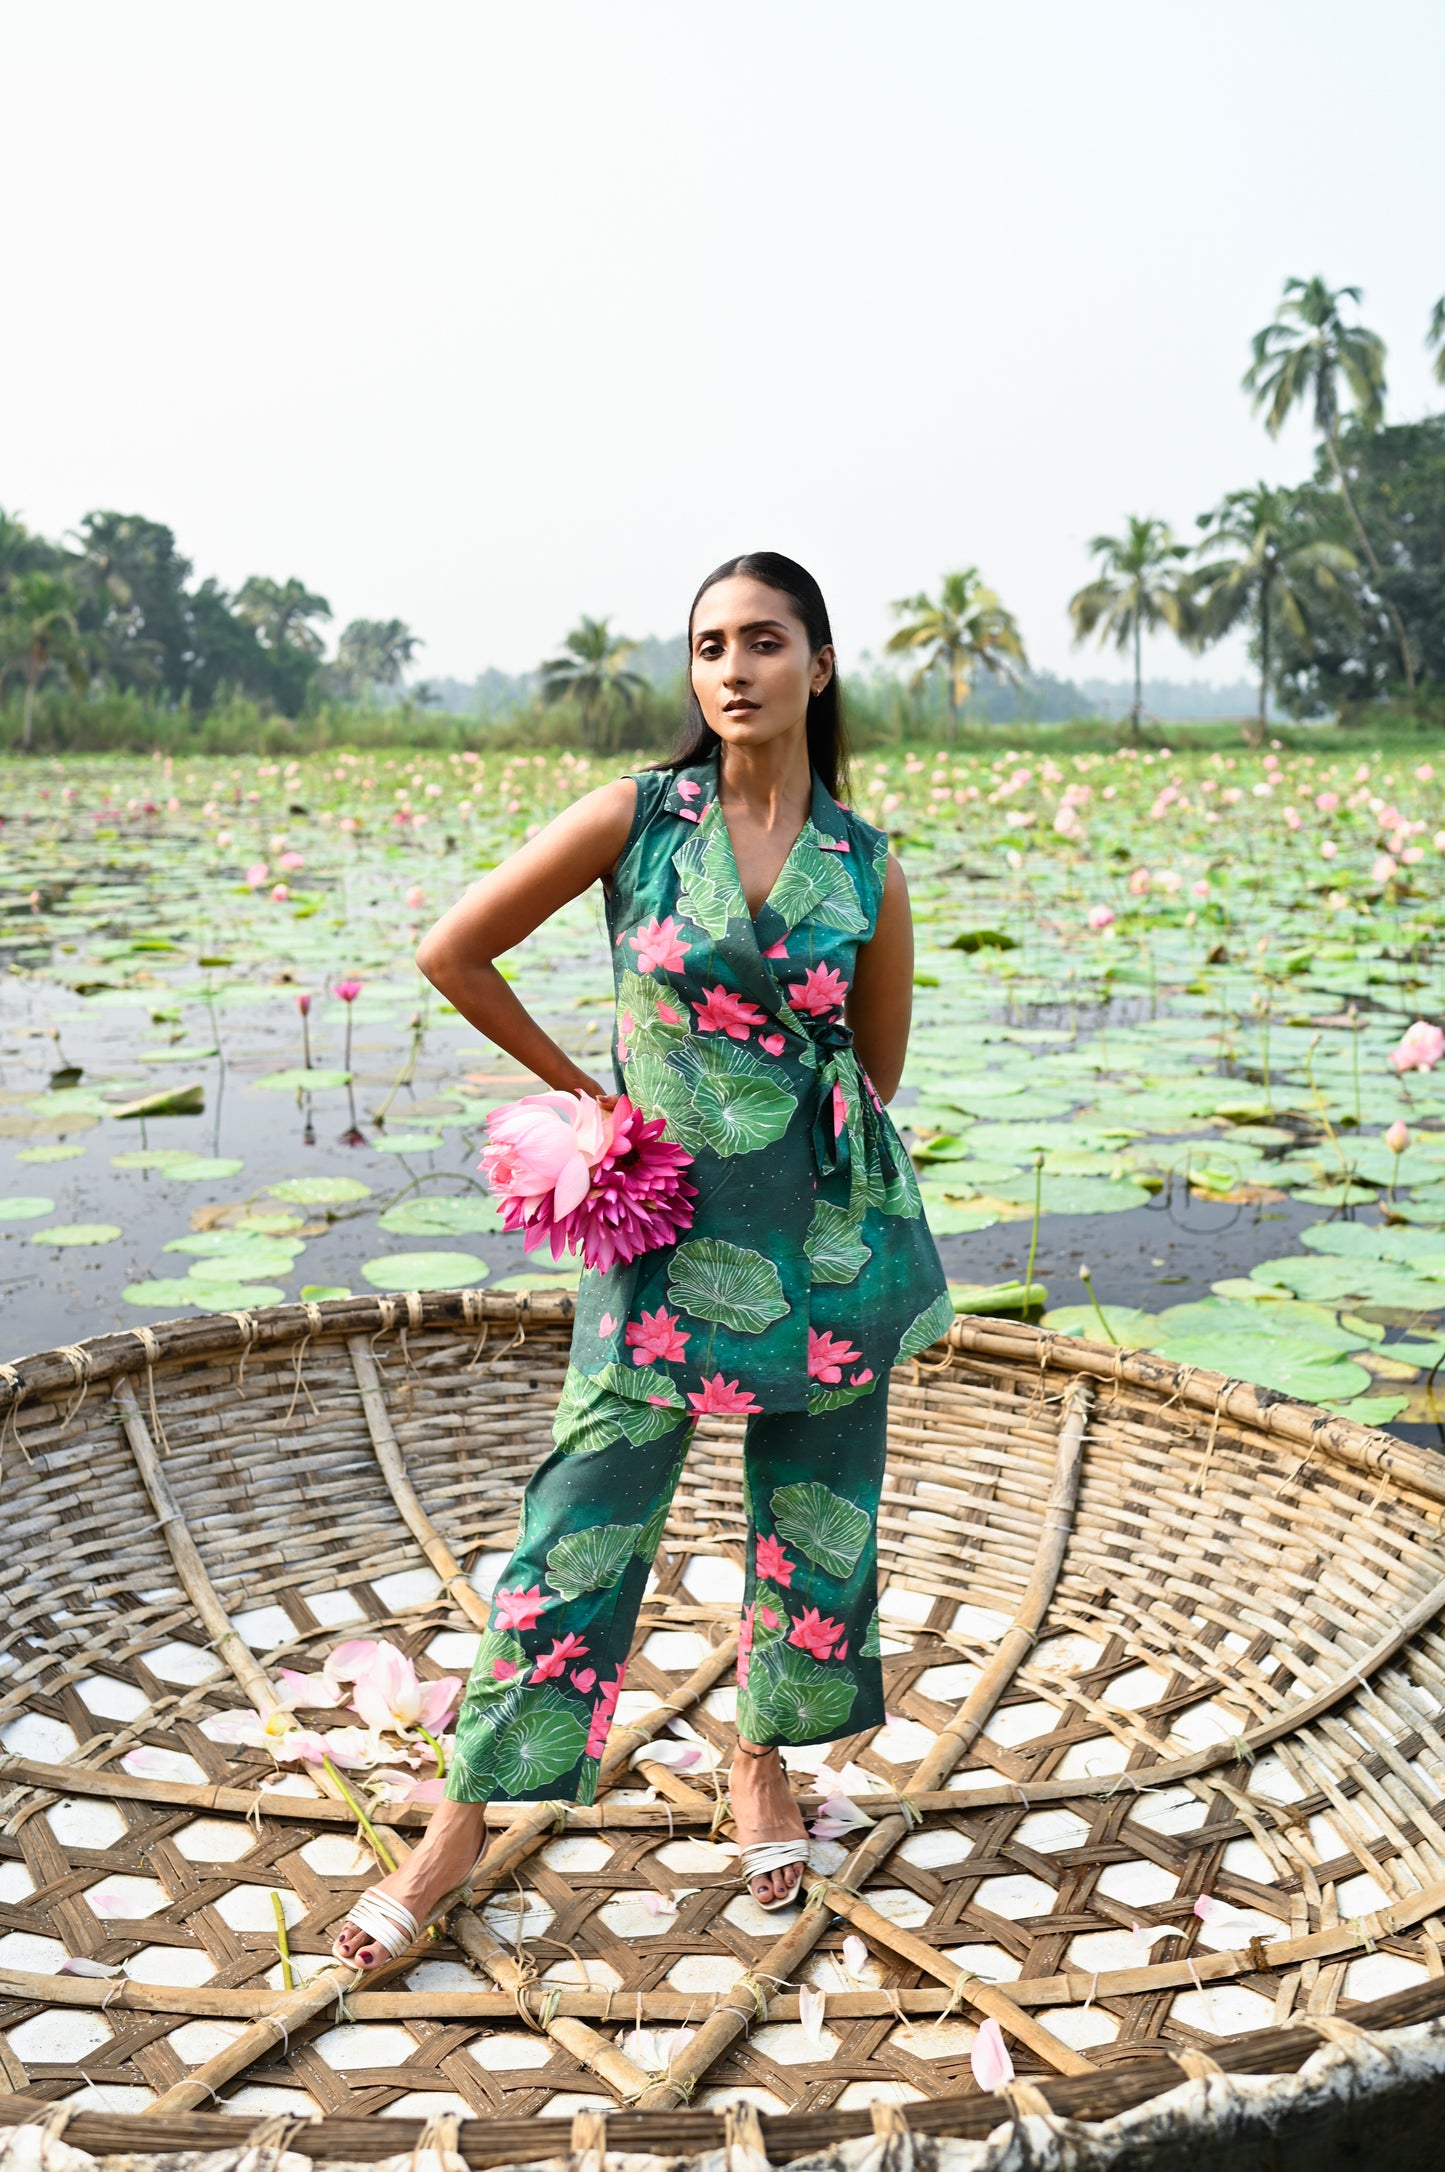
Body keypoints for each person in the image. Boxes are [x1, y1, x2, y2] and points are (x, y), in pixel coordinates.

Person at [332, 551, 949, 1969]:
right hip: (659, 1234)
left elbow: (879, 1070)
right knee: (580, 1522)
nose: (732, 669)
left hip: (827, 1237)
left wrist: (793, 1162)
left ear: (819, 665)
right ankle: (460, 1826)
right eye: (709, 645)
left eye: (764, 642)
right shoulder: (638, 819)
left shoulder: (864, 867)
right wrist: (591, 1099)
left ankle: (762, 1765)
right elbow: (454, 949)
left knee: (817, 1518)